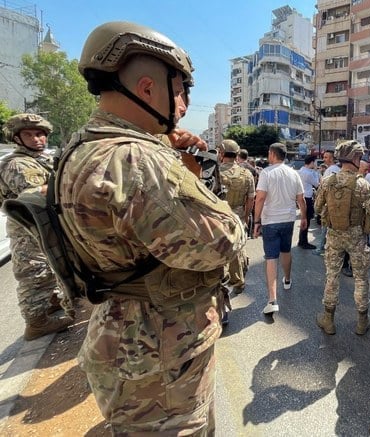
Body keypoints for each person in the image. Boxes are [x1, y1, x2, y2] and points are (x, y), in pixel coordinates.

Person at [59, 22, 245, 434]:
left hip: (129, 341)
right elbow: (221, 240)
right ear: (147, 89)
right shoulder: (138, 161)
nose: (182, 105)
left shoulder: (82, 145)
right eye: (179, 90)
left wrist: (169, 149)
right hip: (159, 358)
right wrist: (198, 183)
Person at [0, 113, 74, 341]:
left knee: (50, 267)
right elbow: (37, 193)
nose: (37, 139)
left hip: (41, 225)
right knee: (34, 272)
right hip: (27, 228)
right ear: (17, 138)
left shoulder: (38, 160)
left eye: (40, 134)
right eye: (29, 135)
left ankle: (50, 304)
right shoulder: (17, 163)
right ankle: (36, 324)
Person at [315, 140, 370, 336]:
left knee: (332, 277)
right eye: (360, 157)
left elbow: (317, 208)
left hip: (333, 236)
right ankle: (361, 321)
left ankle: (329, 319)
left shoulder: (327, 181)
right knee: (360, 278)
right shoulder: (362, 184)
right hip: (357, 238)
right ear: (355, 158)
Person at [254, 142, 307, 315]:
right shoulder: (293, 173)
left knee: (271, 257)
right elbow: (301, 199)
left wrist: (256, 222)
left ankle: (272, 300)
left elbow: (260, 198)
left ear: (271, 154)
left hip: (270, 220)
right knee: (286, 251)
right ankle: (288, 279)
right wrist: (304, 217)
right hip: (288, 219)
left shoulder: (266, 173)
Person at [218, 139, 255, 296]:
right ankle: (239, 279)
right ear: (237, 154)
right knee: (238, 247)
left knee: (220, 249)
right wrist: (246, 216)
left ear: (221, 153)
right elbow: (251, 198)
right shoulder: (246, 174)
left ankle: (222, 281)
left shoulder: (215, 172)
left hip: (219, 215)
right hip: (238, 215)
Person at [297, 155, 320, 249]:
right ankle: (304, 242)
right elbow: (317, 184)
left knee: (305, 219)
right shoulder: (309, 173)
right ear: (312, 162)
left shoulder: (301, 171)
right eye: (315, 162)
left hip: (302, 197)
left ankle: (301, 240)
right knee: (307, 220)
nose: (316, 164)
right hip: (307, 198)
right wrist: (316, 171)